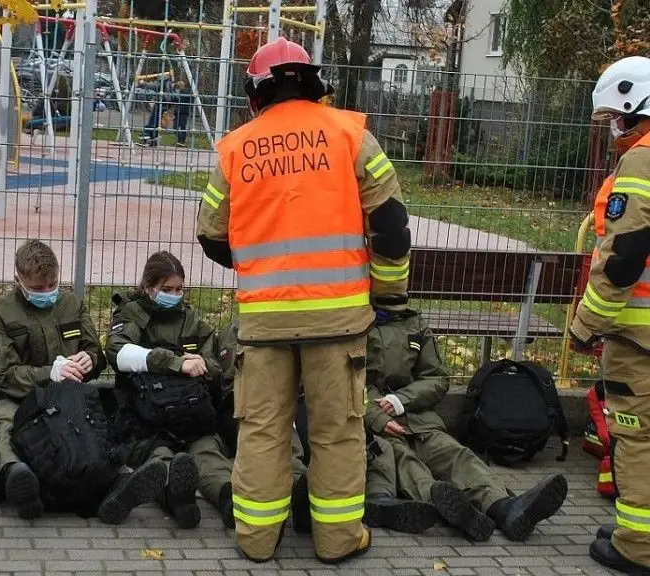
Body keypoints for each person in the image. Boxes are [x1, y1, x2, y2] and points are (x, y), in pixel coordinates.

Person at [195, 36, 412, 563]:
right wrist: (387, 294)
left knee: (263, 430)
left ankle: (256, 539)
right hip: (338, 319)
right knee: (337, 432)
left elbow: (211, 235)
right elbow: (391, 227)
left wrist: (261, 268)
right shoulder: (352, 137)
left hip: (265, 322)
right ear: (313, 83)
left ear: (257, 91)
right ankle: (337, 541)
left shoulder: (236, 148)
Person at [0, 239, 167, 523]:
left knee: (94, 426)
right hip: (19, 396)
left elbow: (95, 352)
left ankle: (119, 480)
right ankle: (17, 476)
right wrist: (49, 374)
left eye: (52, 285)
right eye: (37, 288)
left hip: (69, 396)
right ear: (17, 279)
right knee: (5, 422)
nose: (47, 293)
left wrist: (90, 361)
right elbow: (3, 374)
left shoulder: (71, 304)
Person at [367, 308, 568, 541]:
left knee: (456, 454)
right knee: (402, 458)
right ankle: (448, 506)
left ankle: (504, 508)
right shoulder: (353, 321)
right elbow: (343, 385)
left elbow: (436, 377)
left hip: (417, 418)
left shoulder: (414, 323)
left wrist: (402, 399)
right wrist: (376, 417)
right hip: (375, 424)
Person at [215, 319, 434, 535]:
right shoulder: (246, 327)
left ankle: (379, 498)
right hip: (269, 408)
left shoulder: (325, 326)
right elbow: (234, 375)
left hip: (310, 405)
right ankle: (302, 494)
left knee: (375, 447)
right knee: (282, 445)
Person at [570, 55, 650, 574]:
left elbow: (623, 258)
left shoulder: (642, 161)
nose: (614, 130)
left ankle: (637, 545)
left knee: (638, 434)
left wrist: (585, 326)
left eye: (617, 118)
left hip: (641, 338)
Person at [104, 251, 227, 529]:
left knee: (208, 454)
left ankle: (228, 499)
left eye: (179, 289)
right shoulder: (131, 313)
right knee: (159, 456)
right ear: (148, 287)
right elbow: (117, 352)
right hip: (145, 417)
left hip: (190, 413)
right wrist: (175, 362)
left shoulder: (190, 319)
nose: (175, 295)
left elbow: (217, 364)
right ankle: (175, 495)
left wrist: (203, 364)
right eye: (167, 289)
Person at [173, 80, 193, 148]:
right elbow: (174, 100)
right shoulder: (176, 93)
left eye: (178, 86)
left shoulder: (186, 92)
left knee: (182, 127)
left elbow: (191, 99)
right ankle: (179, 140)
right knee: (175, 127)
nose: (177, 88)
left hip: (183, 112)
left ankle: (182, 141)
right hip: (177, 112)